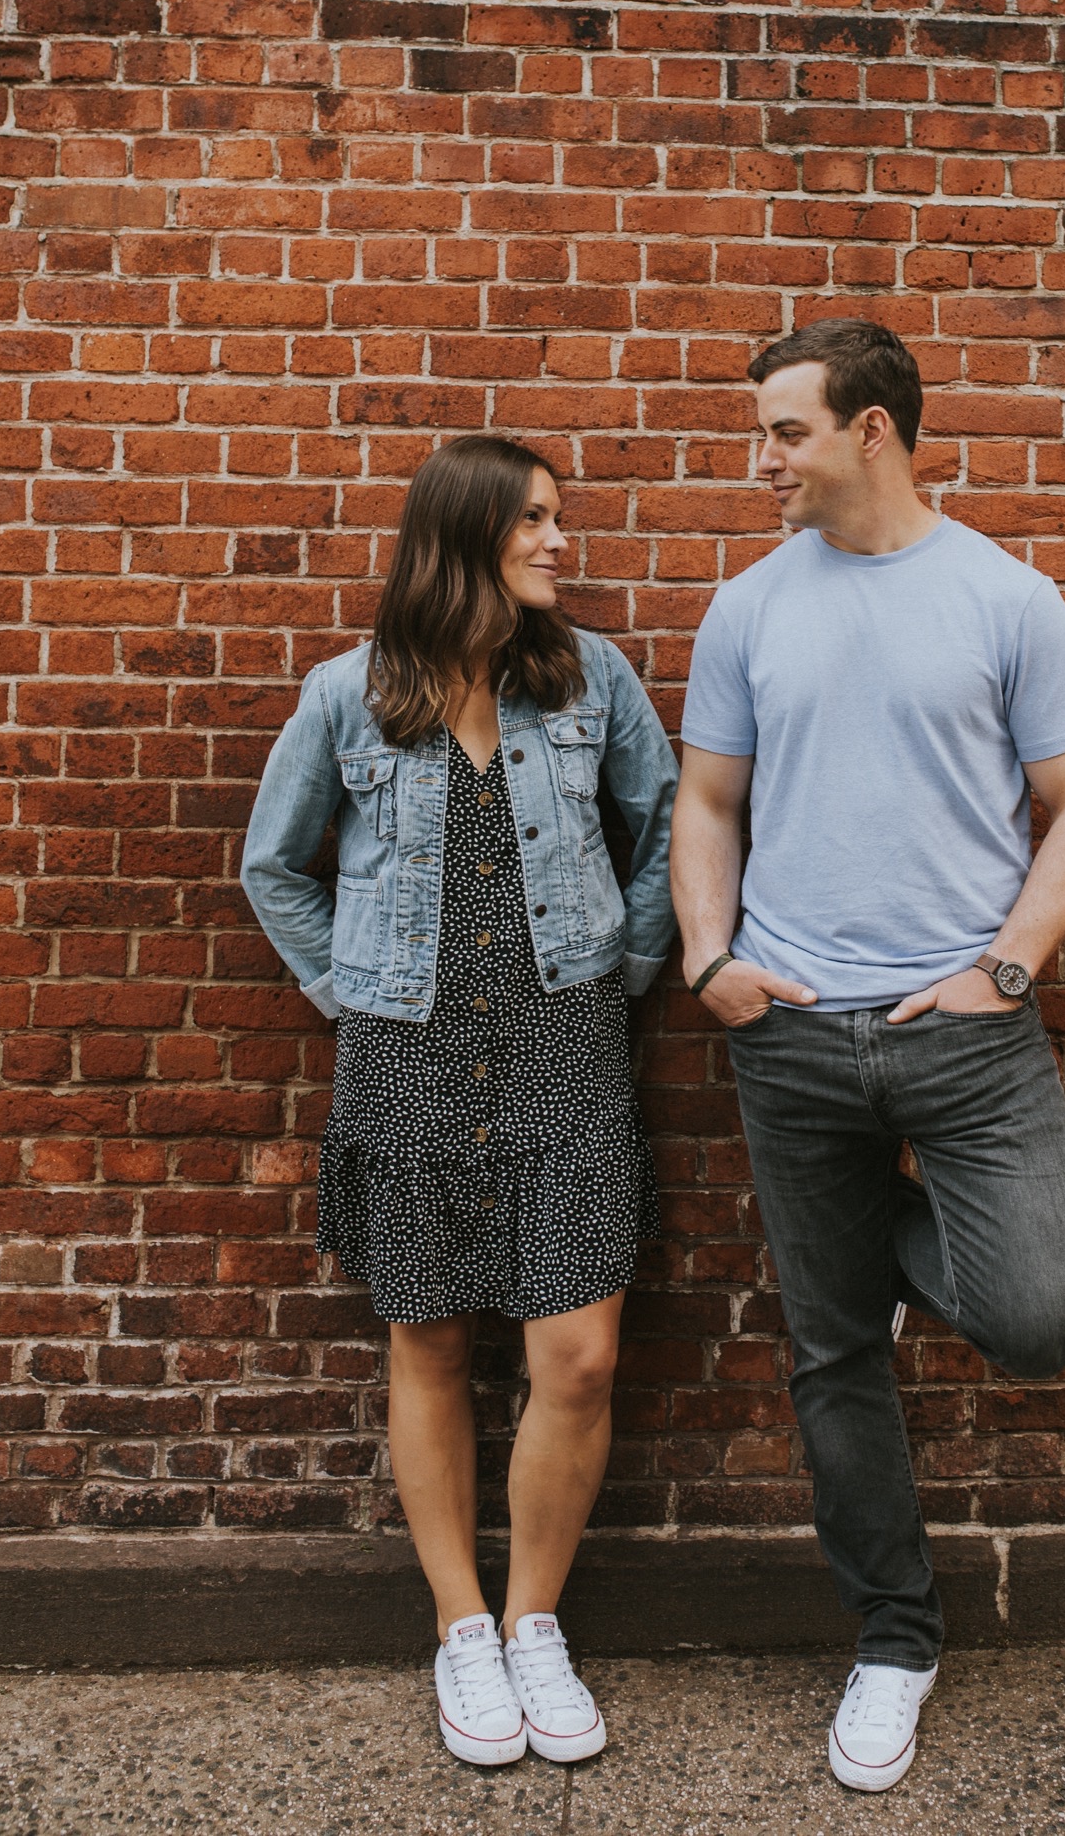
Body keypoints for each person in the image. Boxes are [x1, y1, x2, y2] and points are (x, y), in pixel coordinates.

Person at [671, 320, 1065, 1794]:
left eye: (784, 433)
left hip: (969, 1041)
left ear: (874, 429)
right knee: (835, 1349)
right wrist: (708, 958)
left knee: (1039, 1309)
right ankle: (894, 1638)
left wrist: (1006, 969)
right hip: (791, 1038)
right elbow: (708, 804)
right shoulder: (746, 610)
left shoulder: (1005, 599)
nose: (761, 462)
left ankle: (901, 1241)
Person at [242, 434, 677, 1772]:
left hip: (569, 1046)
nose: (561, 541)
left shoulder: (593, 676)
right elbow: (274, 862)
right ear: (466, 532)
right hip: (407, 1051)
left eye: (560, 517)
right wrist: (352, 988)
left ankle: (536, 1618)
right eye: (535, 519)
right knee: (427, 1342)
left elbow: (662, 829)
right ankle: (462, 1627)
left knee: (579, 1356)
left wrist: (631, 970)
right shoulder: (348, 695)